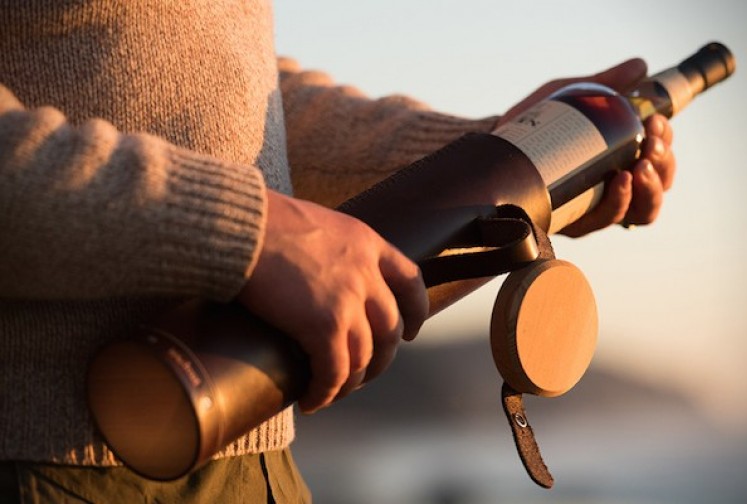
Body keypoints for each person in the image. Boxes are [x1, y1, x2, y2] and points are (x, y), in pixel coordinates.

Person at [0, 2, 675, 502]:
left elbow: (239, 89)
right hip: (44, 462)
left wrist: (496, 155)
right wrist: (254, 231)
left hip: (254, 453)